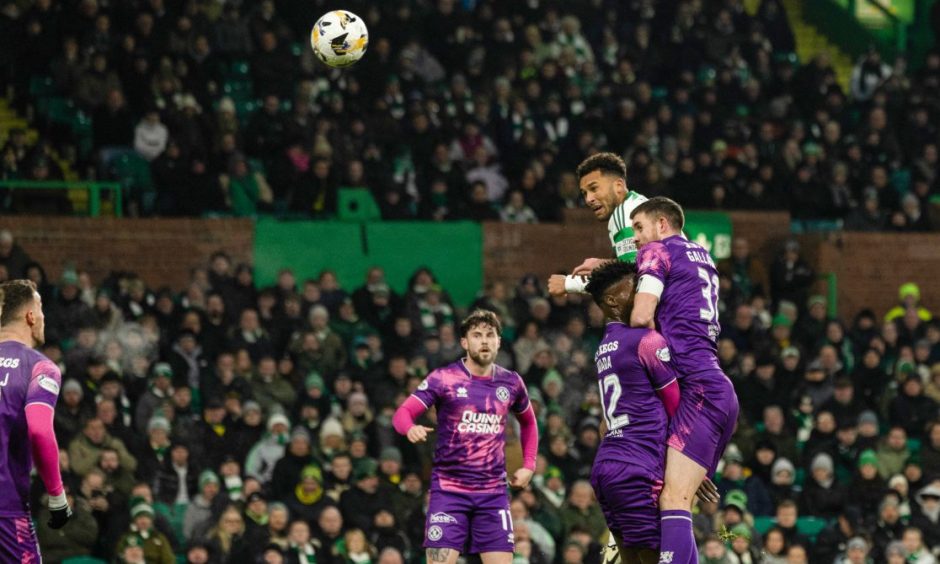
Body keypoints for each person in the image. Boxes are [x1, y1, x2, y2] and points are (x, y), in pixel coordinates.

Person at [629, 197, 739, 564]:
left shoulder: (656, 250)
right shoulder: (702, 256)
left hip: (698, 392)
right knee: (681, 501)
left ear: (662, 224)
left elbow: (642, 314)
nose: (636, 240)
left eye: (639, 229)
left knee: (672, 499)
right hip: (717, 391)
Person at [392, 310, 538, 564]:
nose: (484, 341)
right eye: (477, 335)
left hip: (493, 494)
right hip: (449, 492)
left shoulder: (511, 382)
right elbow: (403, 413)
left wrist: (528, 465)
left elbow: (529, 422)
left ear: (499, 341)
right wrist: (410, 428)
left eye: (490, 335)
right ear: (464, 342)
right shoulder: (444, 378)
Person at [583, 260, 681, 564]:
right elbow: (676, 405)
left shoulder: (604, 347)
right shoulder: (645, 342)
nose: (643, 294)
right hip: (637, 467)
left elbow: (603, 424)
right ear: (612, 301)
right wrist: (689, 466)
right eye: (635, 288)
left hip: (606, 466)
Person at [0, 279, 72, 560]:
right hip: (6, 509)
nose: (43, 316)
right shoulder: (39, 367)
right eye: (40, 308)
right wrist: (57, 496)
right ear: (31, 316)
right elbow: (40, 431)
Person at [547, 152, 648, 296]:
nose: (588, 199)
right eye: (584, 193)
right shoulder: (640, 203)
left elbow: (631, 276)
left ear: (618, 186)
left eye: (594, 188)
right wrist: (603, 264)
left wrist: (569, 284)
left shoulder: (625, 213)